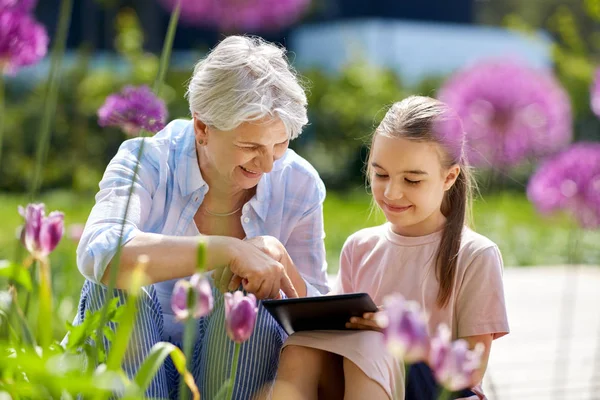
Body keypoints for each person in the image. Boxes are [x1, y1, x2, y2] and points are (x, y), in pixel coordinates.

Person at [68, 35, 330, 399]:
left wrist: (277, 259)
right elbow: (99, 250)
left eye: (280, 144)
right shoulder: (148, 159)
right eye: (250, 146)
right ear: (202, 128)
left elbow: (315, 318)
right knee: (112, 284)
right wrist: (225, 250)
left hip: (231, 375)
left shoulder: (298, 183)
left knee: (249, 295)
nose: (268, 164)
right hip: (136, 368)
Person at [272, 96, 509, 400]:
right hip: (363, 380)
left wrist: (406, 336)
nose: (392, 192)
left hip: (439, 389)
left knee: (374, 345)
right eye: (380, 175)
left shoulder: (476, 255)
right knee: (302, 346)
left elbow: (471, 372)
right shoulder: (360, 246)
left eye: (412, 180)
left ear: (449, 177)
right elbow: (331, 332)